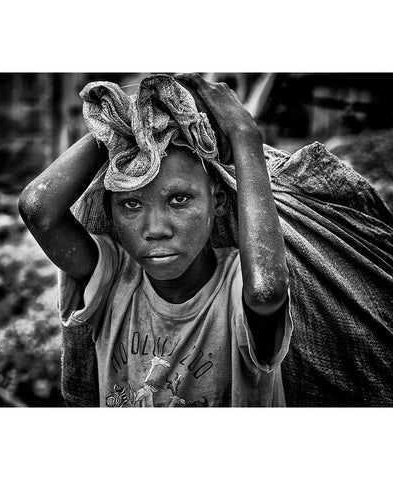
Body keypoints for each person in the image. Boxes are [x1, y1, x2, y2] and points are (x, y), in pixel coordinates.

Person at [18, 73, 292, 407]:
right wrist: (126, 120)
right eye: (131, 204)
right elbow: (38, 209)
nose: (156, 228)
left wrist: (243, 133)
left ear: (217, 201)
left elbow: (267, 291)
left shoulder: (236, 287)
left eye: (179, 199)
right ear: (111, 214)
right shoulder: (114, 280)